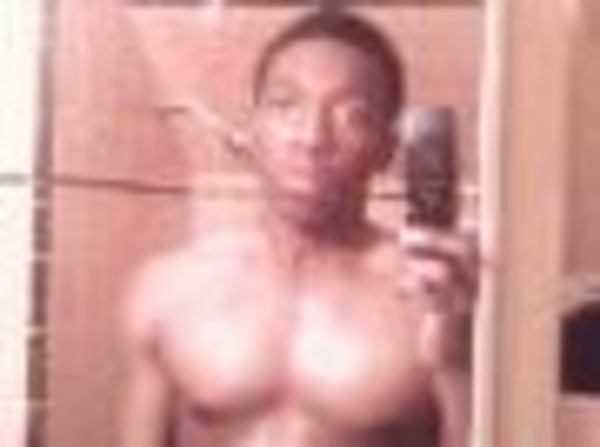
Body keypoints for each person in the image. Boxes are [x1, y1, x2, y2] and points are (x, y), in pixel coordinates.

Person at [120, 10, 478, 447]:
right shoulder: (168, 288)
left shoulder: (433, 301)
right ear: (252, 128)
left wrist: (457, 366)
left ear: (386, 150)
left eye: (351, 115)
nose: (311, 137)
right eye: (285, 106)